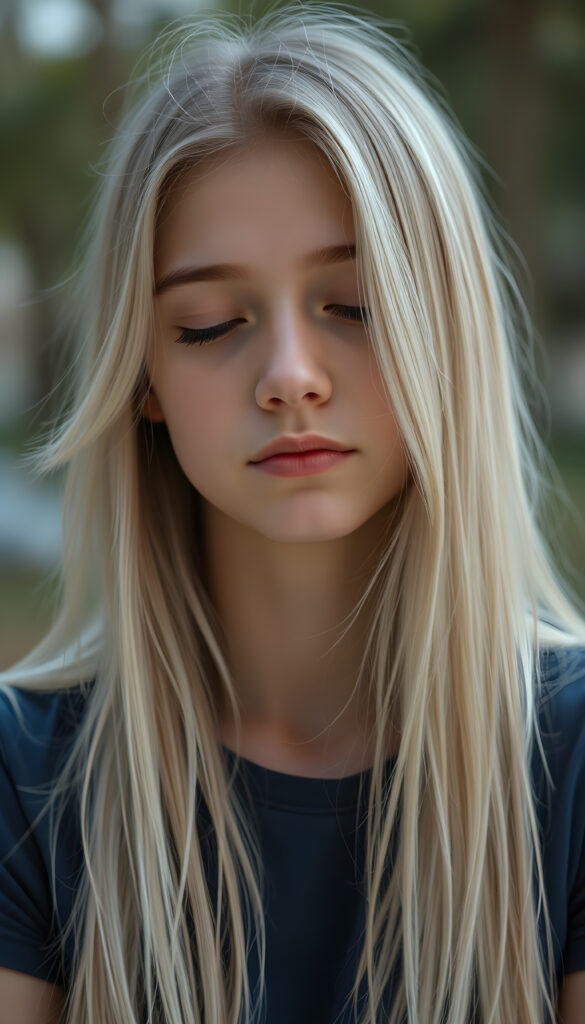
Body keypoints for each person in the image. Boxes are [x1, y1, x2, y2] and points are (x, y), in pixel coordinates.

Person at [1, 4, 584, 1022]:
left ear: (447, 332)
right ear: (141, 377)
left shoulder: (572, 758)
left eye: (355, 306)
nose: (289, 377)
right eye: (209, 324)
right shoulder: (25, 776)